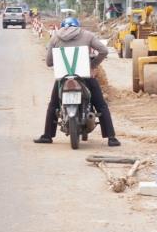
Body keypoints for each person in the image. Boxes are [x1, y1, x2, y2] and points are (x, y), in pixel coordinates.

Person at [34, 17, 120, 146]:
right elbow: (104, 50)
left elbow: (49, 62)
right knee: (101, 104)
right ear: (77, 26)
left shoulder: (55, 37)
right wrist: (93, 66)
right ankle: (111, 138)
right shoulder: (87, 35)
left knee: (53, 105)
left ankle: (47, 136)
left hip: (63, 79)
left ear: (63, 26)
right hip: (85, 77)